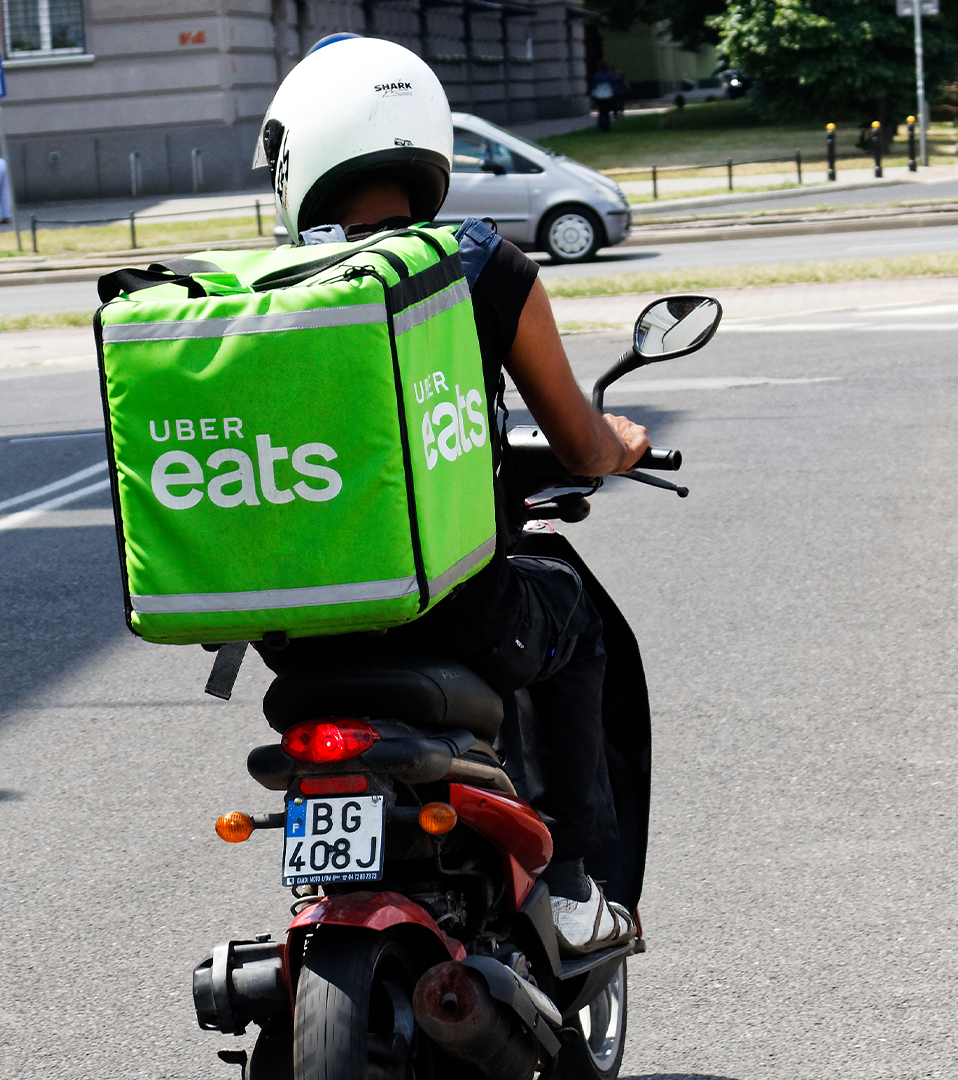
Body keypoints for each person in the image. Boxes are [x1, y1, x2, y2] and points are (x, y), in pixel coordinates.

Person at [253, 34, 647, 954]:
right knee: (578, 622)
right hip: (462, 613)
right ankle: (577, 880)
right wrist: (618, 444)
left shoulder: (270, 290)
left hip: (301, 629)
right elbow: (577, 441)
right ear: (424, 139)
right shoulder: (480, 266)